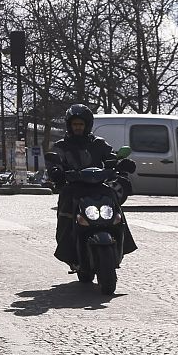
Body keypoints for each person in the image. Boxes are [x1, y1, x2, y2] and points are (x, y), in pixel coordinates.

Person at [48, 103, 135, 267]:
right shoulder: (62, 146)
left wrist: (122, 164)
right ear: (69, 125)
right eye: (75, 124)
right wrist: (55, 171)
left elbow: (111, 157)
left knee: (116, 207)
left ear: (87, 125)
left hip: (98, 186)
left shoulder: (98, 143)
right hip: (74, 187)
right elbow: (55, 161)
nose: (78, 127)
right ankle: (68, 252)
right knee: (66, 211)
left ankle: (122, 243)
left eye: (81, 124)